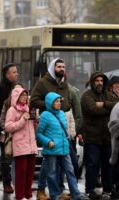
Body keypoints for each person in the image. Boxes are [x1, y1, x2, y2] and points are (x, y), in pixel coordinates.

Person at [30, 58, 73, 200]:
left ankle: (58, 190)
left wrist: (61, 105)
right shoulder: (43, 82)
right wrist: (50, 104)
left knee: (56, 162)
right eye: (59, 66)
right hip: (47, 123)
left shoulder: (64, 83)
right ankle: (41, 190)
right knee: (49, 163)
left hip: (61, 121)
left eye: (63, 66)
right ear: (52, 68)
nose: (61, 69)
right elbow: (34, 100)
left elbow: (66, 103)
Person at [36, 92, 85, 200]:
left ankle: (75, 194)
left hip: (64, 148)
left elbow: (65, 131)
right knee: (51, 174)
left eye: (59, 101)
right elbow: (39, 133)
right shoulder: (45, 115)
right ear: (50, 102)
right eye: (56, 101)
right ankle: (55, 195)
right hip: (51, 149)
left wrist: (67, 142)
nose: (59, 103)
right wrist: (48, 142)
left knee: (70, 171)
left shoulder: (62, 113)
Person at [81, 72, 119, 199]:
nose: (100, 83)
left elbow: (118, 106)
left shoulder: (109, 94)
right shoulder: (86, 96)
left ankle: (107, 189)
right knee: (92, 164)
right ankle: (90, 189)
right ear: (92, 82)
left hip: (107, 137)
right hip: (92, 137)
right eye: (97, 80)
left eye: (101, 80)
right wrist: (108, 107)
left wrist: (103, 104)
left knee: (108, 165)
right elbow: (92, 109)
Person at [0, 63, 18, 193]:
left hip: (17, 127)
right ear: (7, 74)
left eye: (17, 72)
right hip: (4, 128)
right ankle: (7, 183)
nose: (17, 74)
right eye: (14, 72)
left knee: (17, 156)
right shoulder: (0, 88)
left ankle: (18, 182)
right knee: (6, 157)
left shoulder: (16, 87)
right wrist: (4, 128)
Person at [5, 87, 37, 200]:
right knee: (21, 172)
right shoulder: (12, 110)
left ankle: (28, 195)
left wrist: (36, 121)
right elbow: (8, 127)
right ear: (16, 97)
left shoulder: (28, 108)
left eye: (25, 95)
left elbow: (32, 128)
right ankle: (19, 195)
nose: (24, 98)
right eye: (22, 95)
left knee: (30, 172)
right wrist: (23, 120)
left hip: (31, 145)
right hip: (20, 145)